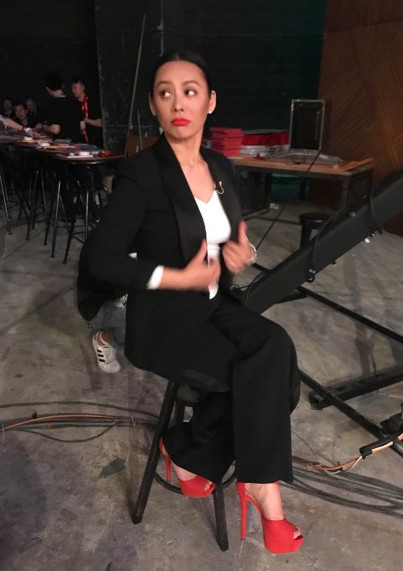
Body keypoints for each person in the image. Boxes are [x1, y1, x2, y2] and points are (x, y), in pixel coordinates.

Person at [87, 50, 303, 554]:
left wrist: (240, 255)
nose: (178, 103)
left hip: (212, 304)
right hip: (163, 321)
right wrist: (175, 276)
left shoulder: (221, 167)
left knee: (276, 349)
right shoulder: (141, 173)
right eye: (165, 93)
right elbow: (101, 260)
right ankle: (263, 488)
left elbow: (231, 240)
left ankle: (186, 449)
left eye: (190, 91)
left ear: (210, 102)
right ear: (153, 105)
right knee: (263, 380)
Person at [77, 236, 127, 374]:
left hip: (121, 294)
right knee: (143, 322)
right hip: (101, 304)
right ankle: (105, 339)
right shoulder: (107, 240)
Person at [43, 72, 85, 142]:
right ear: (62, 86)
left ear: (48, 89)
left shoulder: (53, 104)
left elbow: (55, 130)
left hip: (62, 144)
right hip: (76, 143)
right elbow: (82, 126)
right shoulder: (75, 102)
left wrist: (45, 127)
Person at [70, 76, 103, 147]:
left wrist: (83, 119)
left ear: (82, 88)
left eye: (75, 88)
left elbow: (99, 123)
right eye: (72, 88)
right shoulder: (72, 105)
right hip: (78, 142)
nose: (73, 91)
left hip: (94, 142)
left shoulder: (92, 103)